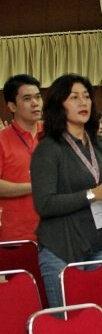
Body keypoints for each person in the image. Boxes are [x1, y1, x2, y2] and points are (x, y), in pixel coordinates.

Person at [31, 73, 102, 308]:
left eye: (87, 96)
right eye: (74, 97)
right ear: (59, 105)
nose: (83, 102)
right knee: (69, 321)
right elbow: (45, 204)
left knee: (100, 317)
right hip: (63, 248)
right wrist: (94, 194)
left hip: (101, 244)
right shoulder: (48, 148)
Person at [0, 74, 44, 242]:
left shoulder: (53, 136)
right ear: (12, 106)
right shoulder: (2, 140)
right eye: (27, 99)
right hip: (16, 235)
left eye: (38, 97)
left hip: (56, 233)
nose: (35, 103)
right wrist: (35, 187)